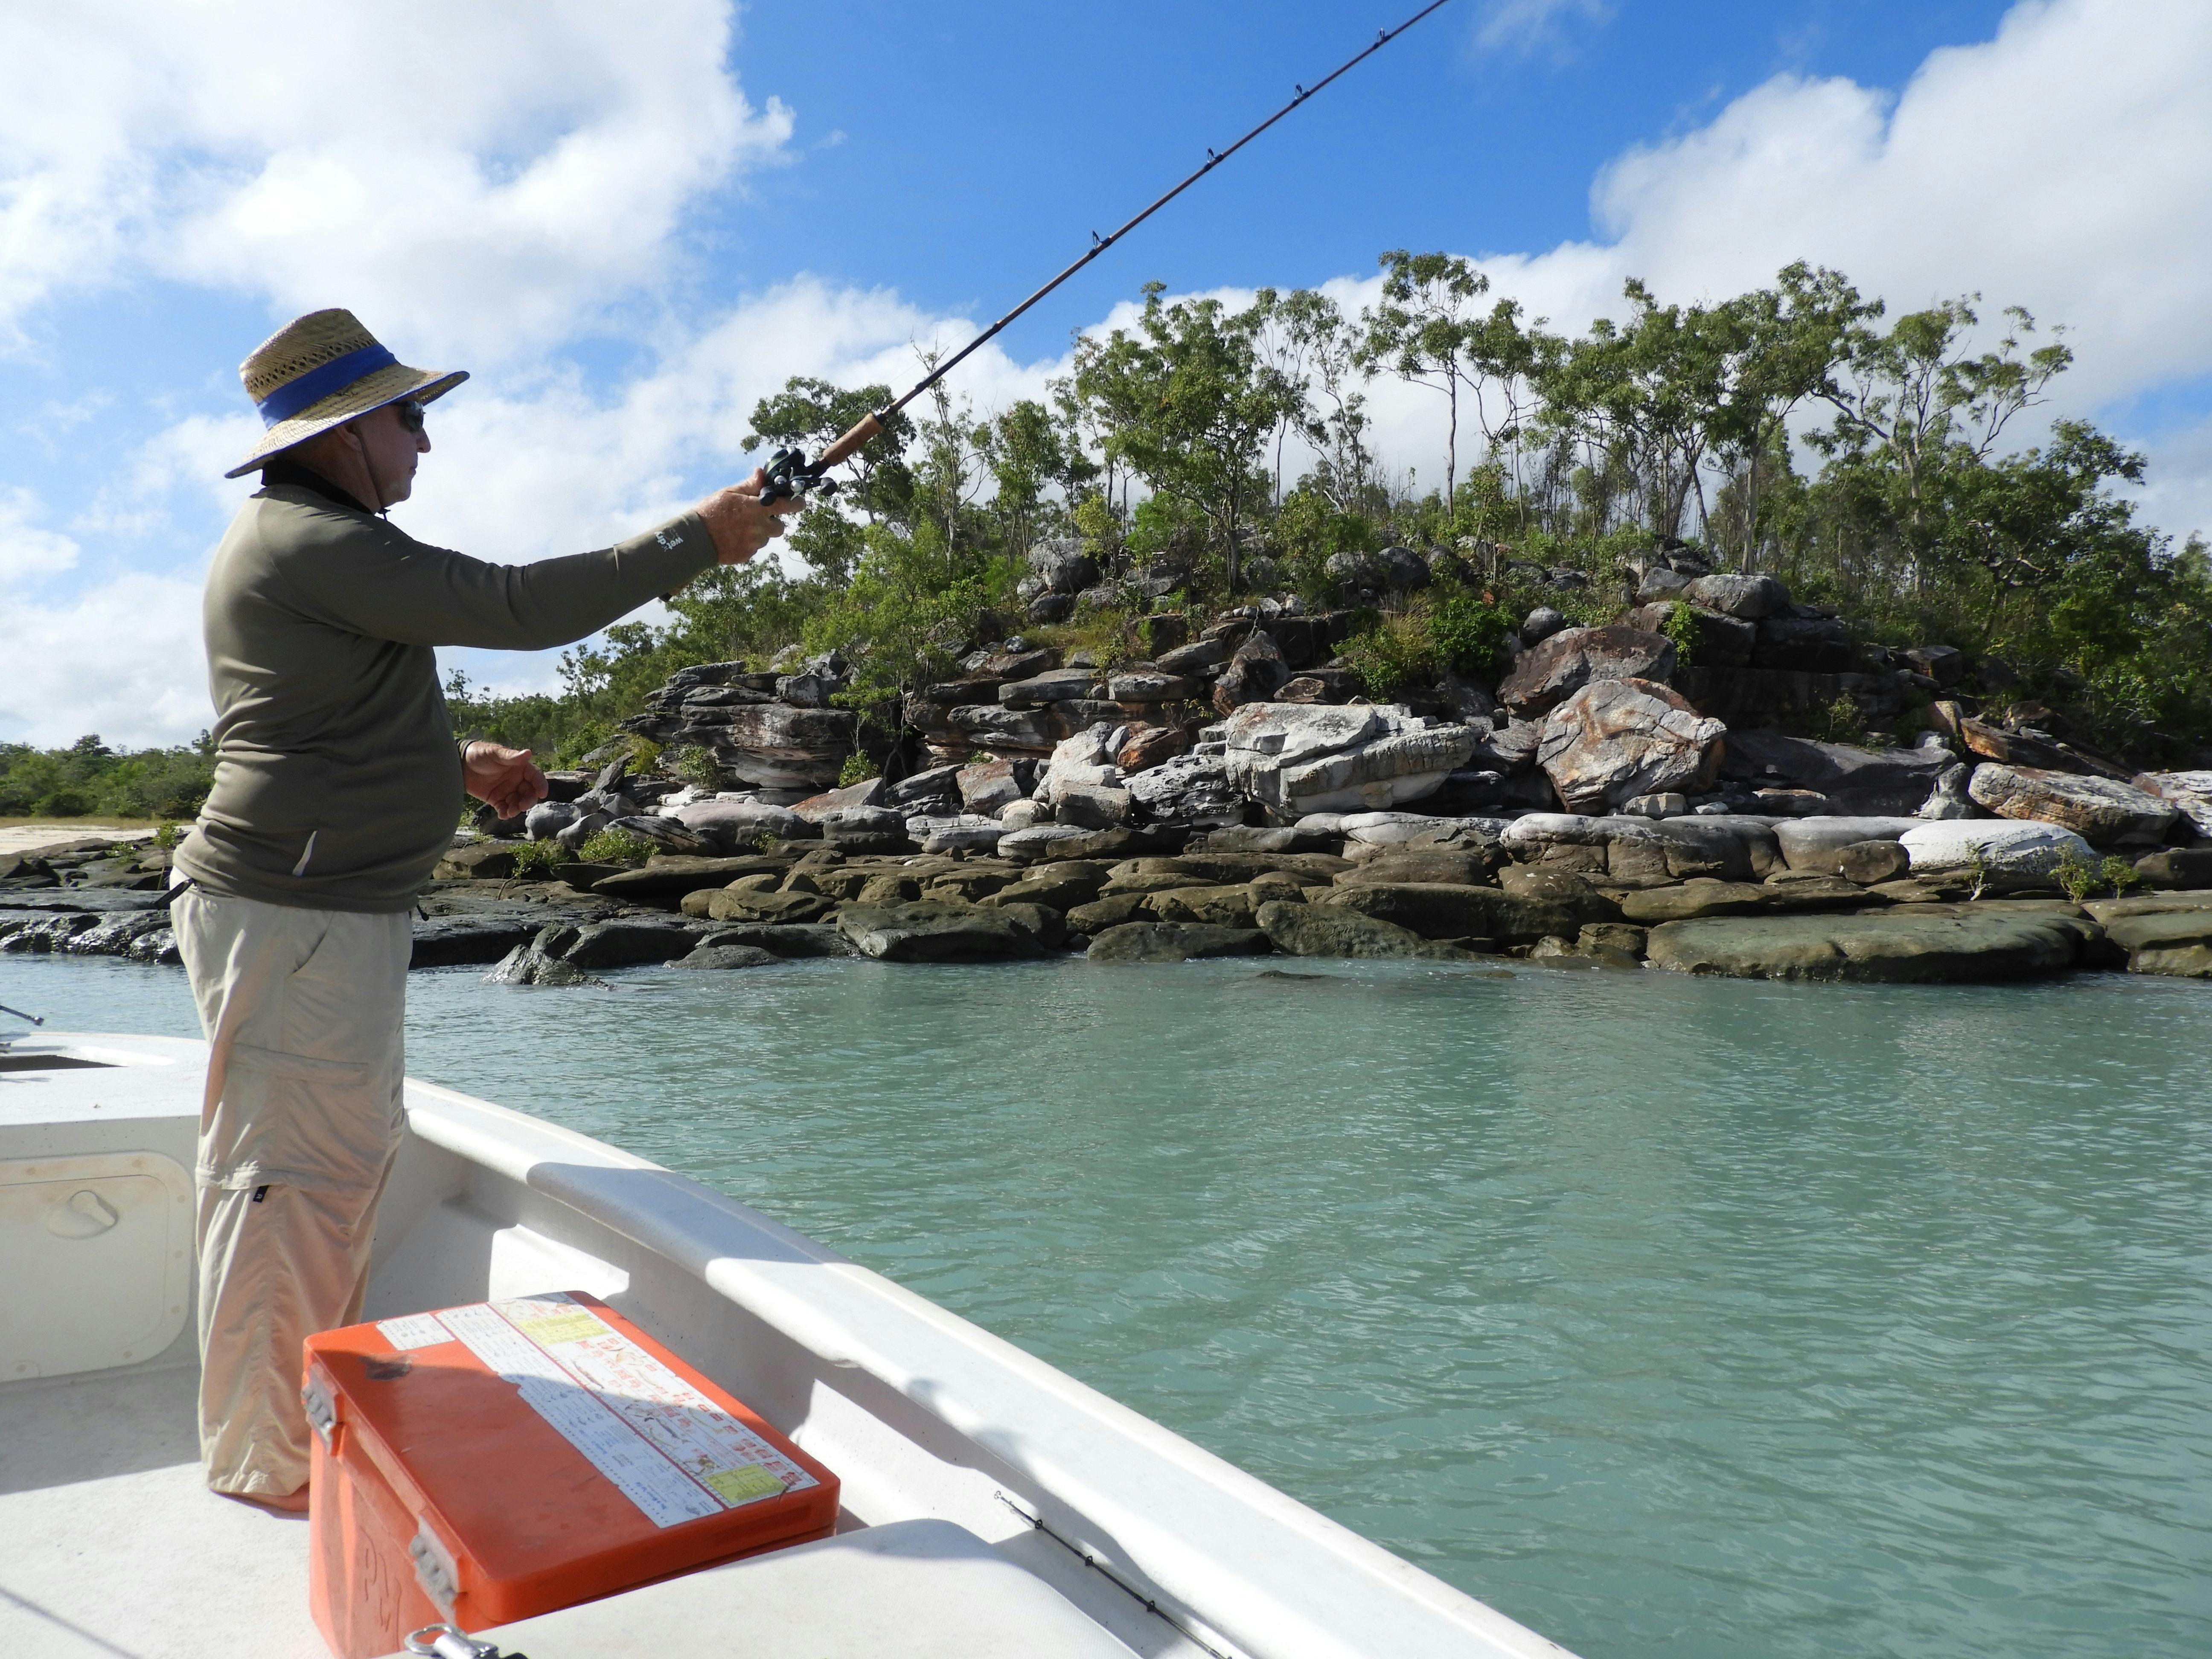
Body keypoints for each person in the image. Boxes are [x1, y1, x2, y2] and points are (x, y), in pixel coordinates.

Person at [170, 308, 796, 1510]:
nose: (425, 440)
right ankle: (272, 1469)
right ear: (347, 432)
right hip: (295, 916)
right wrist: (702, 537)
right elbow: (517, 606)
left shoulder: (320, 540)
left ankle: (300, 1430)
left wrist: (455, 765)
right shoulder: (307, 537)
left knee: (324, 1176)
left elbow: (316, 721)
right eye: (412, 416)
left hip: (314, 916)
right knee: (291, 1188)